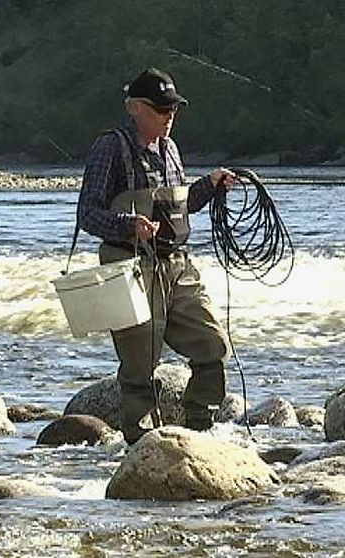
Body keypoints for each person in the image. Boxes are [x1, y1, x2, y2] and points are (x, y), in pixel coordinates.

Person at [77, 67, 236, 445]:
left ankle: (200, 431)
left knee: (213, 345)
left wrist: (209, 187)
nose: (170, 117)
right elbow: (87, 213)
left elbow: (179, 206)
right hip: (127, 266)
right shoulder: (110, 147)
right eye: (162, 110)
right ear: (134, 108)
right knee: (139, 367)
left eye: (174, 110)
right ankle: (142, 445)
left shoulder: (172, 149)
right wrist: (127, 224)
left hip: (176, 266)